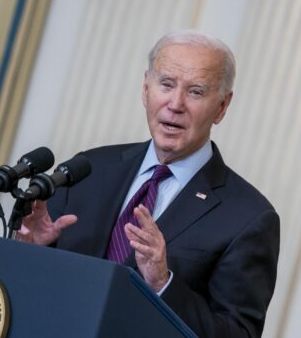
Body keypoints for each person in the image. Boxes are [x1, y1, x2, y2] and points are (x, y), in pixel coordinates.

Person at [17, 30, 280, 337]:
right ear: (145, 89)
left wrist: (162, 283)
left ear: (222, 107)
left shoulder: (248, 218)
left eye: (195, 92)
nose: (175, 103)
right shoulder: (88, 170)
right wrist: (33, 253)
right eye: (166, 84)